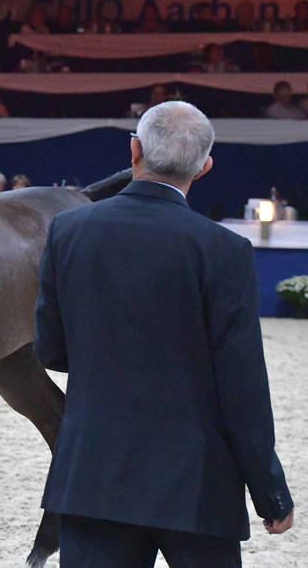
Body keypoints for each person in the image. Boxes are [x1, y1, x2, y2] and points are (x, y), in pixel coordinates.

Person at [34, 100, 294, 566]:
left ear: (133, 150)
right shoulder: (225, 250)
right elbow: (242, 386)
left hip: (95, 475)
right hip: (196, 483)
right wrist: (269, 490)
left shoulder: (68, 231)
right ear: (205, 166)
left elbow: (50, 347)